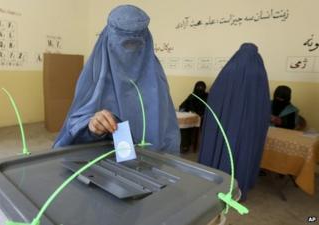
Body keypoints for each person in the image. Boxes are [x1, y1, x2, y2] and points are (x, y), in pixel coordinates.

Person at [53, 5, 180, 154]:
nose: (130, 51)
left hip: (149, 164)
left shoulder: (156, 78)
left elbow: (168, 132)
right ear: (109, 39)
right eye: (125, 44)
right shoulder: (94, 75)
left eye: (136, 45)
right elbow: (75, 123)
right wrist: (93, 124)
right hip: (102, 164)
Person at [198, 43, 271, 201]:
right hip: (247, 128)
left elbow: (214, 100)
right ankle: (234, 189)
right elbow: (263, 107)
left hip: (222, 123)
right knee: (239, 152)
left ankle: (211, 182)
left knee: (221, 145)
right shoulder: (259, 72)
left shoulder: (229, 69)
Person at [178, 81, 208, 152]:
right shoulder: (192, 95)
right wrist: (184, 109)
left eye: (202, 87)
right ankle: (185, 145)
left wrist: (201, 114)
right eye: (198, 87)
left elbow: (208, 107)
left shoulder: (207, 96)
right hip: (191, 116)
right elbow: (184, 104)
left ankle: (190, 145)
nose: (200, 88)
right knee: (185, 126)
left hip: (203, 117)